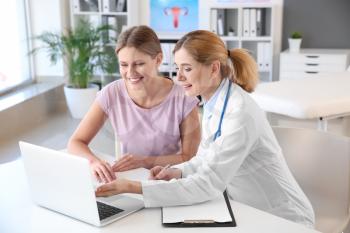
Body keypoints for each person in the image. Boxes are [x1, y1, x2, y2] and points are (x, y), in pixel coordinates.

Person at [95, 30, 315, 227]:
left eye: (187, 69)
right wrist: (178, 171)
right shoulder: (213, 102)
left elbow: (208, 184)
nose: (179, 77)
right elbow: (208, 157)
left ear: (214, 69)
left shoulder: (240, 113)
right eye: (178, 68)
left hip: (283, 218)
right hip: (247, 208)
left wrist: (133, 187)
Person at [67, 26, 201, 184]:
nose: (130, 72)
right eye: (123, 65)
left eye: (138, 64)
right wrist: (94, 162)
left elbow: (189, 157)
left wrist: (145, 161)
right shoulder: (111, 93)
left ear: (158, 60)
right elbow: (75, 142)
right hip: (129, 181)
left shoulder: (183, 98)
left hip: (170, 181)